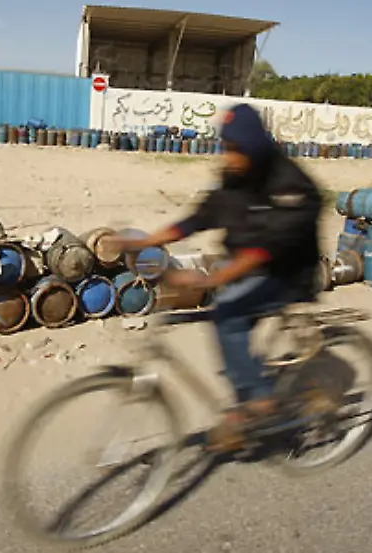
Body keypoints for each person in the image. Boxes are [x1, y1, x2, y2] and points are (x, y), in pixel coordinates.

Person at [108, 103, 324, 452]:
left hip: (288, 273)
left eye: (236, 149)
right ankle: (247, 400)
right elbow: (199, 218)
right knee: (227, 323)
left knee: (228, 315)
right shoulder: (235, 176)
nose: (228, 157)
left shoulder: (290, 184)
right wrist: (145, 241)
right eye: (225, 147)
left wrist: (209, 280)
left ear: (253, 147)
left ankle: (260, 403)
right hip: (248, 265)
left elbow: (268, 250)